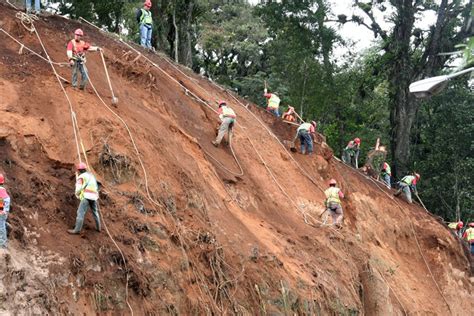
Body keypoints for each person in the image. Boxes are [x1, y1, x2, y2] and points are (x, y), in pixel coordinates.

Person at [68, 163, 101, 234]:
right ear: (85, 169)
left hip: (86, 197)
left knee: (80, 213)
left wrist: (77, 194)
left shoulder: (81, 177)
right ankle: (99, 228)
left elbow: (78, 189)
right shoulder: (92, 176)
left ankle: (77, 230)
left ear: (79, 170)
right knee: (95, 212)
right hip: (94, 197)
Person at [0, 174, 11, 249]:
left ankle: (3, 244)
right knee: (2, 223)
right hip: (3, 207)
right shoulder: (2, 189)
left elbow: (2, 200)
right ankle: (7, 226)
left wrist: (2, 210)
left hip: (2, 208)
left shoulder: (0, 190)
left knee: (1, 225)